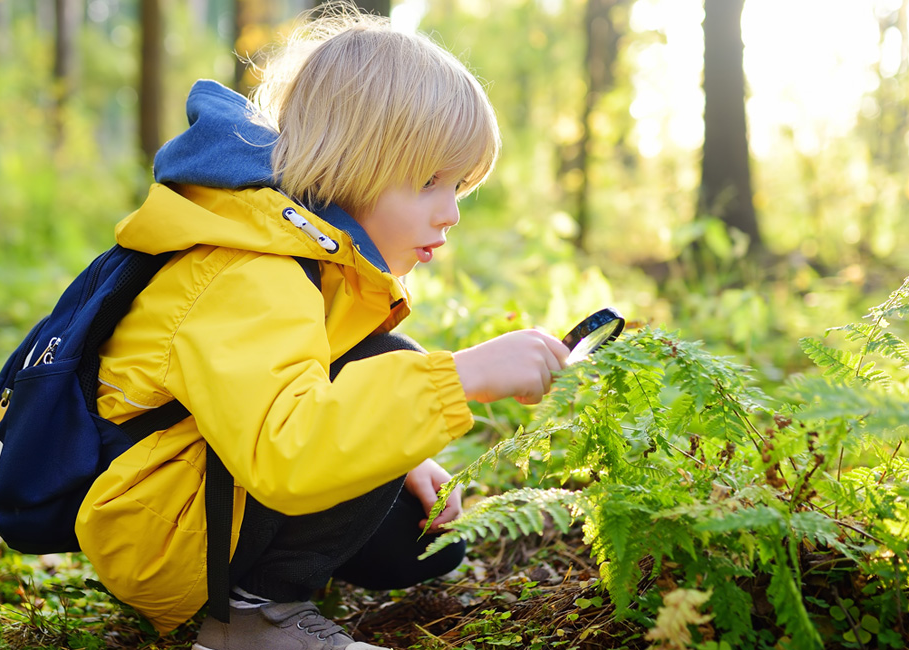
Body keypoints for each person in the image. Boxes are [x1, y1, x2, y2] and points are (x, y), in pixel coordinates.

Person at [75, 7, 569, 650]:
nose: (450, 213)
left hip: (202, 497)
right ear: (352, 161)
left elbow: (296, 390)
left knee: (417, 545)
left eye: (459, 186)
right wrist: (461, 377)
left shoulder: (308, 256)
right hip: (158, 530)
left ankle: (270, 583)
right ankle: (250, 621)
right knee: (390, 362)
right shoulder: (251, 269)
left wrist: (405, 452)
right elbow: (288, 446)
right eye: (428, 182)